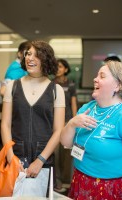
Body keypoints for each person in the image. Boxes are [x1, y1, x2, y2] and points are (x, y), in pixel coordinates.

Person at [60, 60, 122, 199]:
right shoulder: (87, 108)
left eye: (102, 76)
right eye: (97, 76)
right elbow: (66, 143)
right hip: (81, 180)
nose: (95, 79)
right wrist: (71, 123)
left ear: (118, 85)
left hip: (114, 186)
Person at [1, 40, 65, 180]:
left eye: (36, 55)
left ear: (46, 60)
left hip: (44, 158)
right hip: (16, 155)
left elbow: (58, 130)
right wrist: (10, 156)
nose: (30, 58)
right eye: (28, 54)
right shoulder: (12, 86)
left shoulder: (56, 90)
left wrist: (40, 160)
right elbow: (5, 124)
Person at [53, 59, 77, 192]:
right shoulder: (50, 84)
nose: (58, 69)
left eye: (61, 66)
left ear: (66, 69)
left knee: (68, 154)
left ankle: (71, 181)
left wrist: (75, 121)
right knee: (55, 154)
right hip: (55, 123)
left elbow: (73, 103)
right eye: (56, 66)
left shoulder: (71, 84)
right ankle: (57, 182)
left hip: (68, 122)